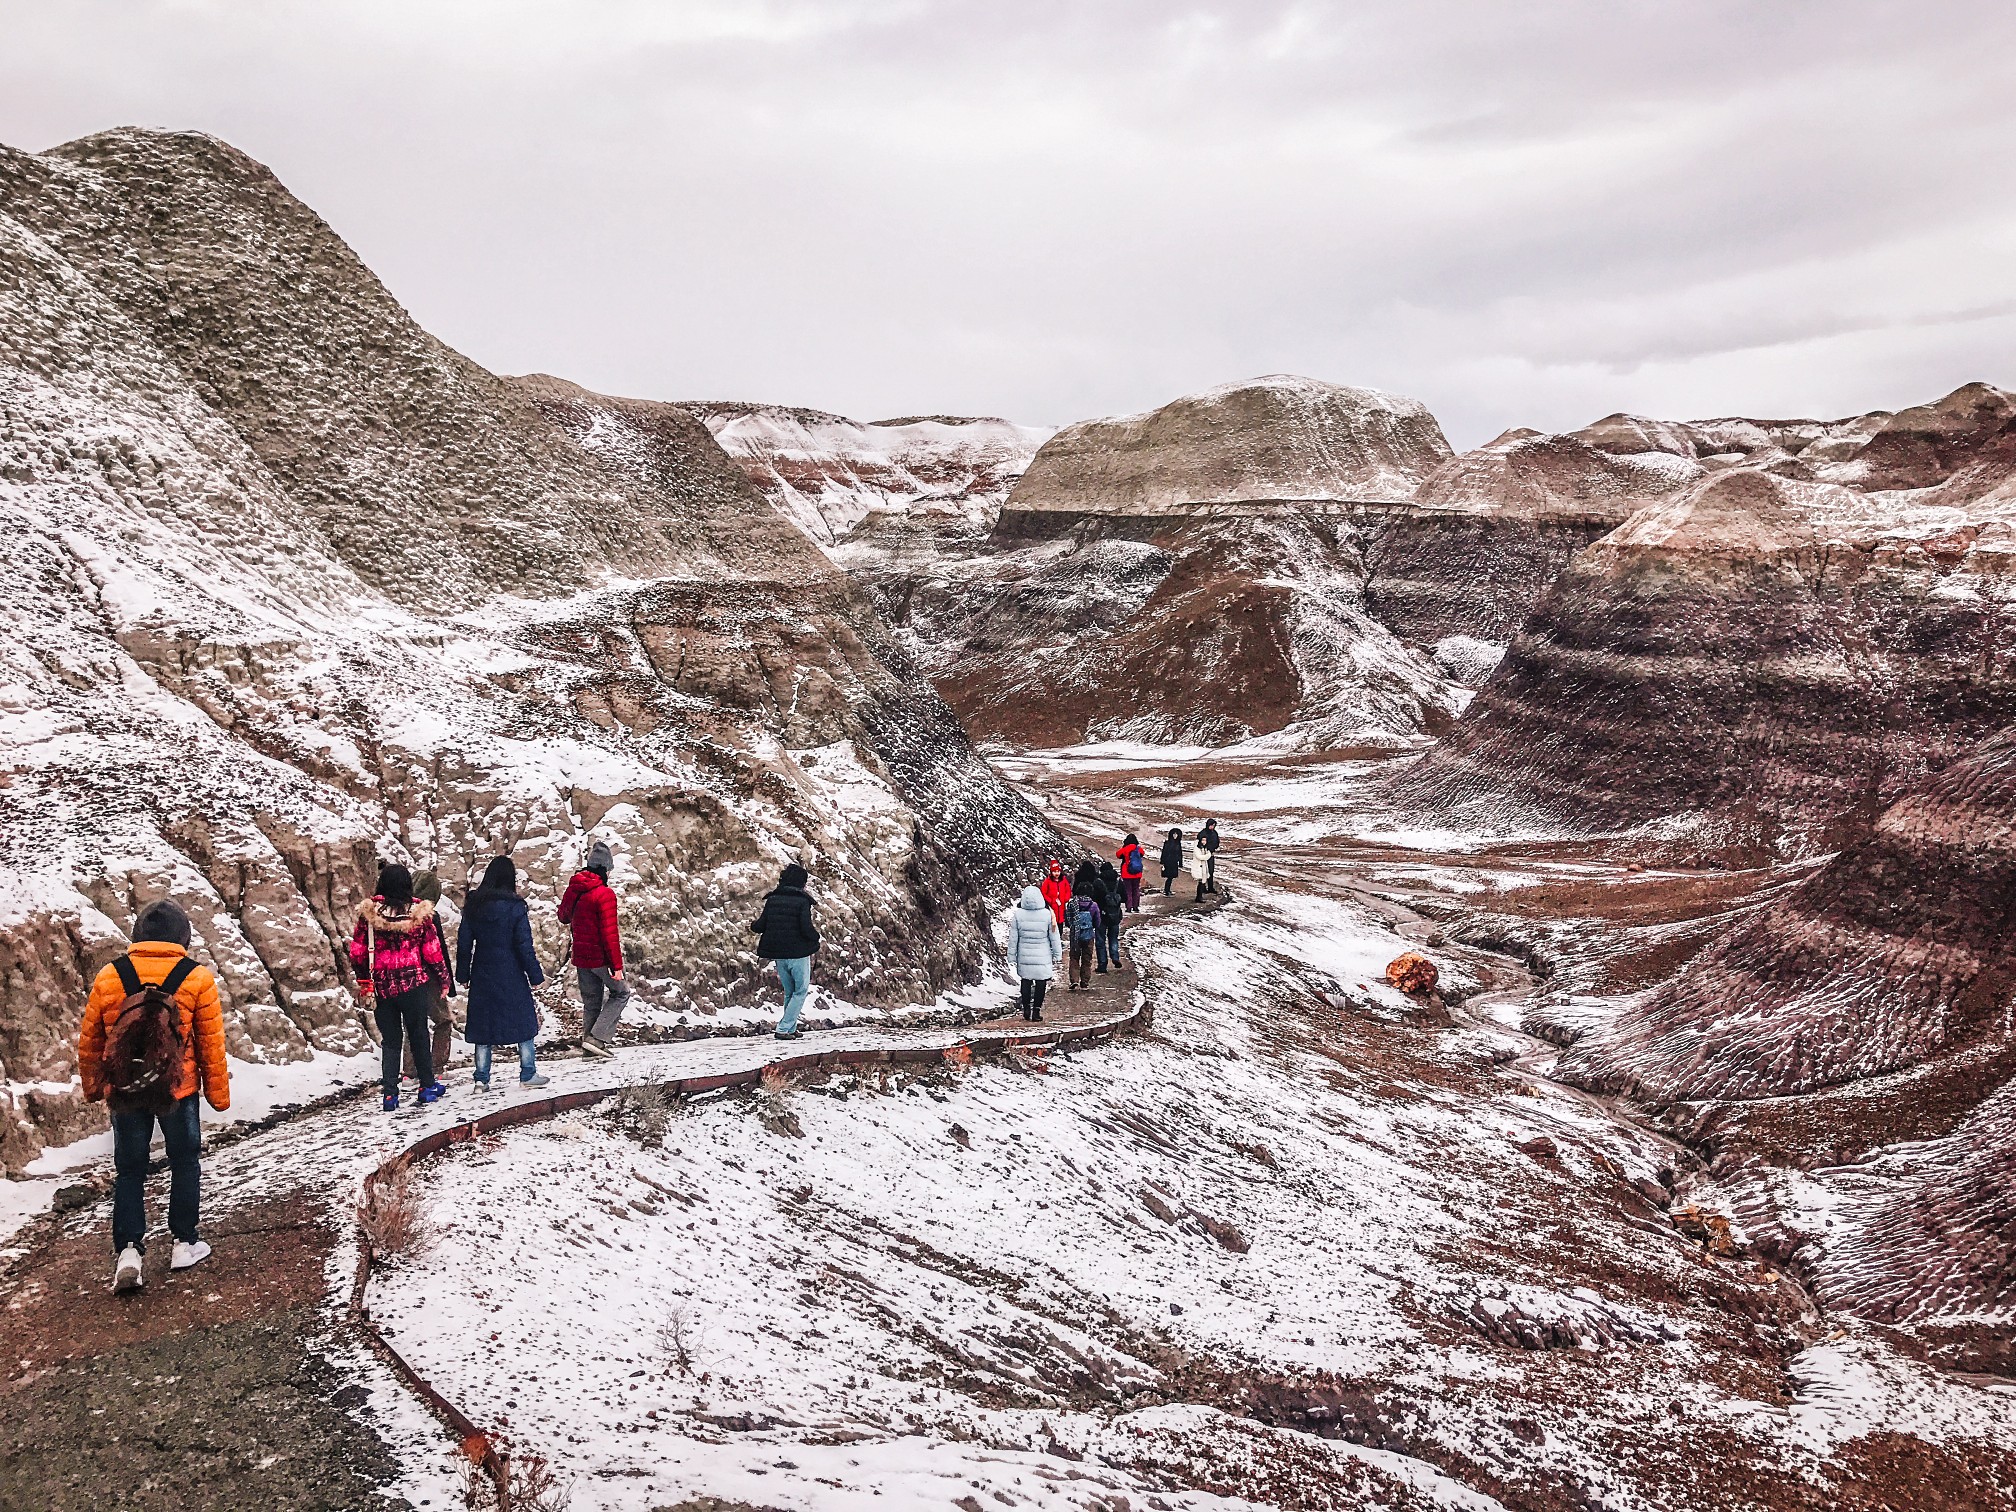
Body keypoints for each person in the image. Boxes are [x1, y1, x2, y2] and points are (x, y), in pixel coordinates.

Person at [77, 899, 230, 1292]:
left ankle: (129, 1251)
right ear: (183, 936)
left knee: (130, 1170)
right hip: (178, 1090)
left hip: (125, 1091)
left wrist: (95, 1087)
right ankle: (184, 1242)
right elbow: (211, 1044)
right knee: (184, 1161)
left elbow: (91, 1040)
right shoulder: (196, 978)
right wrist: (218, 1095)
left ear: (137, 935)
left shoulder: (111, 976)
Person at [350, 863, 452, 1111]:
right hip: (413, 984)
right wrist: (443, 979)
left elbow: (358, 952)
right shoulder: (419, 914)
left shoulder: (369, 915)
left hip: (382, 987)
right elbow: (432, 952)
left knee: (391, 1040)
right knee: (418, 1034)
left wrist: (365, 980)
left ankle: (389, 1095)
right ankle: (427, 1087)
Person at [457, 856, 549, 1090]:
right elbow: (524, 945)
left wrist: (463, 975)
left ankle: (481, 1079)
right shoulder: (516, 907)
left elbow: (464, 943)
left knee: (483, 1024)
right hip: (511, 971)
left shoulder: (474, 905)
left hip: (482, 971)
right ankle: (528, 1074)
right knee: (524, 1021)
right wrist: (535, 976)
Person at [559, 840, 628, 1058]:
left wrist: (571, 895)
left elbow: (563, 917)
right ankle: (597, 1038)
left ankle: (590, 1048)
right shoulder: (604, 894)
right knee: (621, 993)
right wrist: (616, 966)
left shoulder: (576, 888)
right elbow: (609, 934)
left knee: (591, 1003)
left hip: (581, 957)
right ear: (605, 869)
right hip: (600, 958)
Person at [750, 862, 821, 1039]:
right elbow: (806, 928)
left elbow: (760, 926)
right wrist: (816, 937)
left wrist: (752, 925)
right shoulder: (802, 901)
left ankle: (790, 1028)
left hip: (779, 956)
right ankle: (783, 1028)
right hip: (798, 955)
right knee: (801, 991)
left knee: (790, 991)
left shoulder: (772, 899)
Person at [402, 868, 457, 1081]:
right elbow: (439, 951)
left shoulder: (399, 914)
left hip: (405, 976)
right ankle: (437, 1068)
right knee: (443, 1021)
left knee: (413, 1023)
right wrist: (447, 983)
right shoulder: (429, 917)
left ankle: (409, 1072)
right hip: (430, 978)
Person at [1007, 884, 1061, 1020]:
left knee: (1025, 982)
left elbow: (1013, 938)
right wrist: (1057, 953)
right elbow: (1054, 936)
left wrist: (1012, 956)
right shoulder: (1047, 914)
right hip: (1042, 956)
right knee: (1041, 983)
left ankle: (1026, 1008)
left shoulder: (1018, 915)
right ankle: (1036, 1011)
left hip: (1024, 955)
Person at [1064, 878, 1102, 991]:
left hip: (1075, 936)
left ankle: (1074, 980)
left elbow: (1068, 920)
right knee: (1087, 959)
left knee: (1074, 958)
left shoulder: (1072, 904)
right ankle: (1084, 982)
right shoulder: (1093, 905)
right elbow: (1097, 921)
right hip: (1088, 935)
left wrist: (1073, 927)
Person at [1095, 861, 1126, 972]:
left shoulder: (1098, 882)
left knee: (1100, 940)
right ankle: (1115, 957)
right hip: (1115, 915)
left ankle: (1102, 965)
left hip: (1101, 915)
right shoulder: (1118, 882)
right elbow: (1125, 898)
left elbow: (1094, 899)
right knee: (1113, 938)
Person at [1115, 834, 1146, 912]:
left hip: (1127, 872)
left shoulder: (1125, 848)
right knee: (1136, 889)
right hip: (1137, 873)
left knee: (1128, 890)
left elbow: (1118, 854)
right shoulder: (1138, 849)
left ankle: (1128, 907)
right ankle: (1136, 906)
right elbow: (1142, 854)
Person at [1039, 858, 1071, 930]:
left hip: (1061, 906)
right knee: (1052, 926)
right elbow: (1043, 892)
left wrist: (1065, 898)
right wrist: (1050, 900)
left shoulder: (1064, 880)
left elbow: (1068, 890)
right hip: (1052, 907)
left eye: (1058, 871)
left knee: (1060, 926)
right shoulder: (1048, 881)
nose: (1056, 873)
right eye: (1054, 871)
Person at [1196, 819, 1222, 897]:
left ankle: (1210, 887)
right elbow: (1199, 843)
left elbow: (1217, 842)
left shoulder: (1214, 833)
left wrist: (1213, 848)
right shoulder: (1203, 833)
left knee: (1211, 871)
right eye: (1211, 825)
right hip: (1204, 854)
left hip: (1211, 854)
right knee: (1204, 871)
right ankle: (1203, 887)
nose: (1212, 827)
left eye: (1214, 826)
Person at [1159, 827, 1184, 897]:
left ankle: (1167, 890)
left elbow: (1180, 853)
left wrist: (1180, 862)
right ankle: (1166, 890)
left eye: (1176, 834)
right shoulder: (1167, 843)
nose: (1175, 836)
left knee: (1171, 877)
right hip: (1168, 862)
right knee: (1169, 877)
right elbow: (1164, 852)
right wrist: (1162, 862)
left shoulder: (1178, 843)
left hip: (1174, 862)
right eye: (1174, 834)